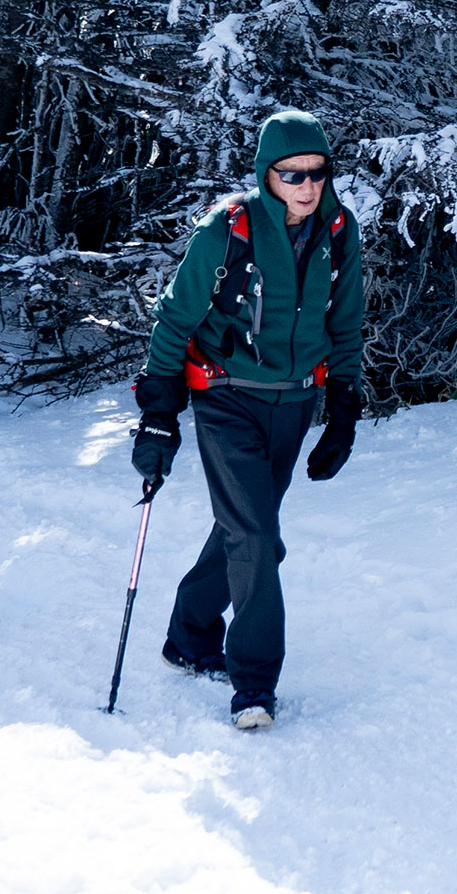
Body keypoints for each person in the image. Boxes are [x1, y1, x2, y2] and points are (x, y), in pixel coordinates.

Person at [130, 110, 365, 730]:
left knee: (245, 531)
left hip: (294, 402)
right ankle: (254, 683)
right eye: (292, 174)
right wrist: (158, 415)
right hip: (226, 396)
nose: (307, 186)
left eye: (317, 173)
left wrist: (343, 411)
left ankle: (188, 633)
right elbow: (175, 320)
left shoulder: (339, 231)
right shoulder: (227, 230)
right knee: (258, 538)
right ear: (268, 175)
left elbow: (345, 326)